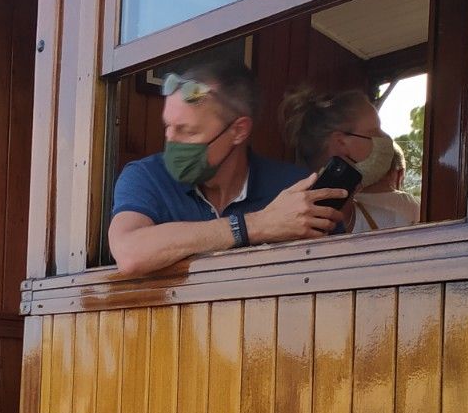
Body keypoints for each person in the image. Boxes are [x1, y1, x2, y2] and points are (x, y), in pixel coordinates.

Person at [108, 59, 349, 276]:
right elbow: (129, 253)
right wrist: (257, 225)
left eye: (188, 131)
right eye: (167, 127)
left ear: (238, 131)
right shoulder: (147, 176)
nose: (171, 141)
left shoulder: (298, 192)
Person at [279, 85, 420, 232]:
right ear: (341, 142)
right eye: (375, 132)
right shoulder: (280, 226)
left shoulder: (396, 222)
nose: (386, 139)